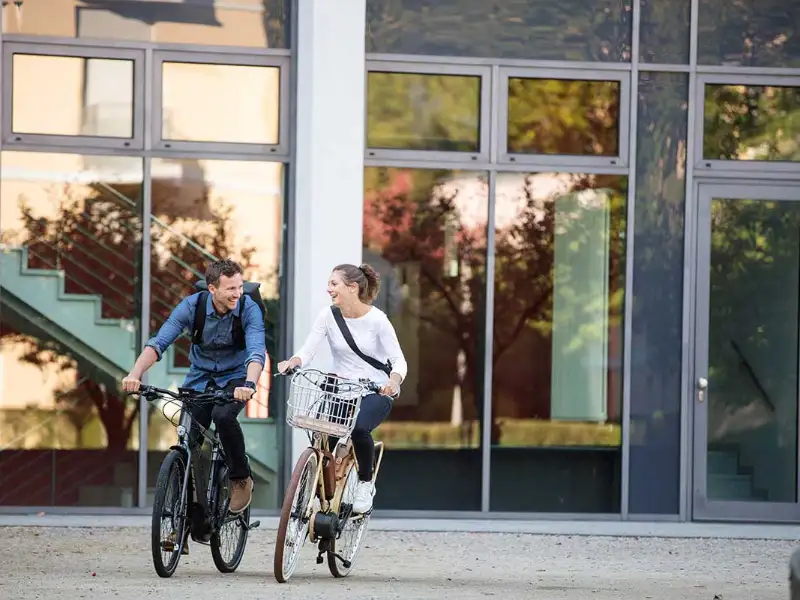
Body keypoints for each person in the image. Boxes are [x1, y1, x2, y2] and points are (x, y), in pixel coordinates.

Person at [122, 258, 265, 521]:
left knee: (223, 417)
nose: (237, 294)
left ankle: (240, 478)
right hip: (199, 379)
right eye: (230, 289)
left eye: (240, 287)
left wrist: (249, 384)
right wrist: (135, 374)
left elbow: (256, 350)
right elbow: (159, 343)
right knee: (188, 440)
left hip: (236, 379)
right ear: (212, 289)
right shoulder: (191, 306)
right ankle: (182, 515)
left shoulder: (248, 308)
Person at [277, 263, 407, 514]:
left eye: (333, 284)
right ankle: (317, 492)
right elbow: (308, 350)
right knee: (323, 438)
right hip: (341, 390)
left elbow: (399, 360)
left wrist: (393, 382)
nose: (329, 289)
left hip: (374, 390)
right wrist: (293, 362)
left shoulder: (378, 320)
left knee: (359, 429)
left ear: (352, 287)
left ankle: (365, 483)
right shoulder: (328, 315)